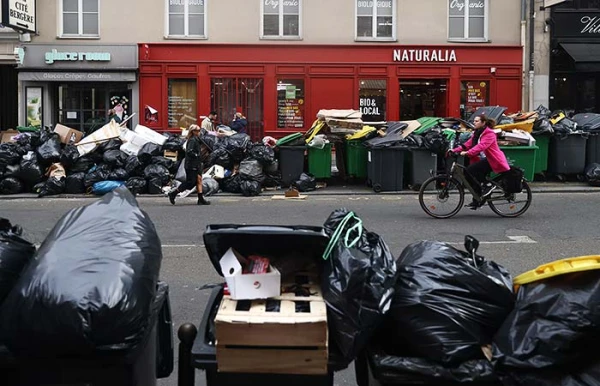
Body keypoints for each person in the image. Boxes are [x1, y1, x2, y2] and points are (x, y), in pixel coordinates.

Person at [451, 115, 510, 209]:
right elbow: (467, 144)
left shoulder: (489, 134)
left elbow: (481, 146)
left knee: (471, 170)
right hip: (484, 159)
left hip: (493, 159)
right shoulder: (477, 133)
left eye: (477, 121)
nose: (474, 122)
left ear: (483, 123)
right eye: (474, 121)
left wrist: (468, 153)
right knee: (469, 175)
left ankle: (488, 185)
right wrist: (454, 150)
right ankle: (477, 200)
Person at [168, 124, 210, 206]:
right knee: (190, 183)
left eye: (199, 130)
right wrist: (197, 155)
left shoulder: (197, 139)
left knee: (199, 180)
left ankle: (200, 199)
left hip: (197, 164)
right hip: (191, 164)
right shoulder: (192, 140)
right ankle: (173, 193)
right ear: (193, 131)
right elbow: (189, 151)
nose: (199, 132)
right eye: (197, 130)